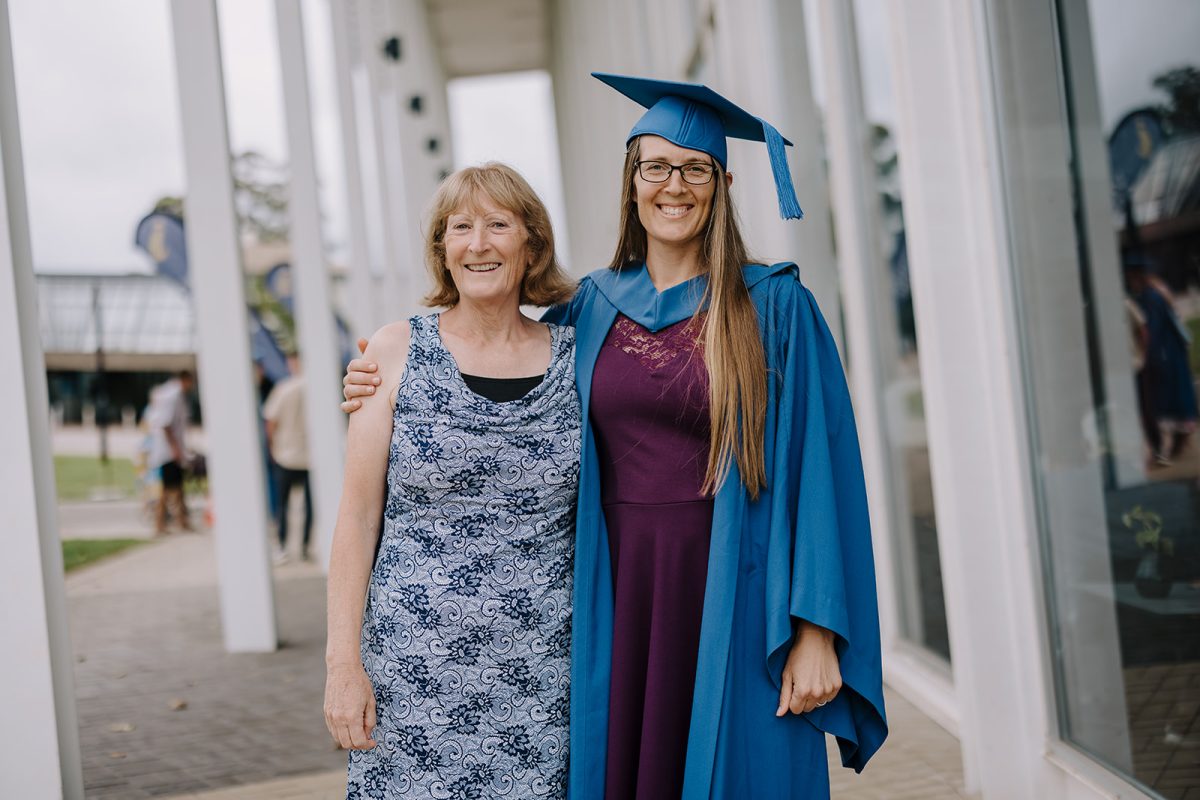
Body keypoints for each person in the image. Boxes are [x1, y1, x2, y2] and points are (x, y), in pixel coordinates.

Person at [343, 74, 887, 799]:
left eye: (694, 169)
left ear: (721, 184)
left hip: (738, 584)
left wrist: (816, 629)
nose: (674, 185)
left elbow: (821, 469)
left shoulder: (773, 306)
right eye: (654, 167)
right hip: (612, 590)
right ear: (631, 183)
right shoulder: (587, 310)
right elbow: (495, 381)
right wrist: (376, 379)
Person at [323, 162, 580, 799]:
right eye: (460, 227)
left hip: (543, 674)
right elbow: (357, 519)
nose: (479, 243)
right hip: (411, 671)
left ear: (533, 243)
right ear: (442, 248)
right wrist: (342, 665)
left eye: (498, 224)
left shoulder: (579, 358)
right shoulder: (394, 351)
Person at [262, 353, 312, 563]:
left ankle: (281, 545)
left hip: (286, 453)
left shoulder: (283, 388)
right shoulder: (317, 388)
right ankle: (304, 546)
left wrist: (271, 447)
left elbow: (270, 420)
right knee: (310, 505)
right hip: (310, 455)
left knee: (283, 504)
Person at [145, 369, 195, 535]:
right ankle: (160, 524)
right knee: (168, 489)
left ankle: (181, 520)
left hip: (171, 448)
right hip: (168, 451)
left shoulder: (173, 393)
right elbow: (166, 425)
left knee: (177, 487)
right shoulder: (172, 396)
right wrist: (175, 449)